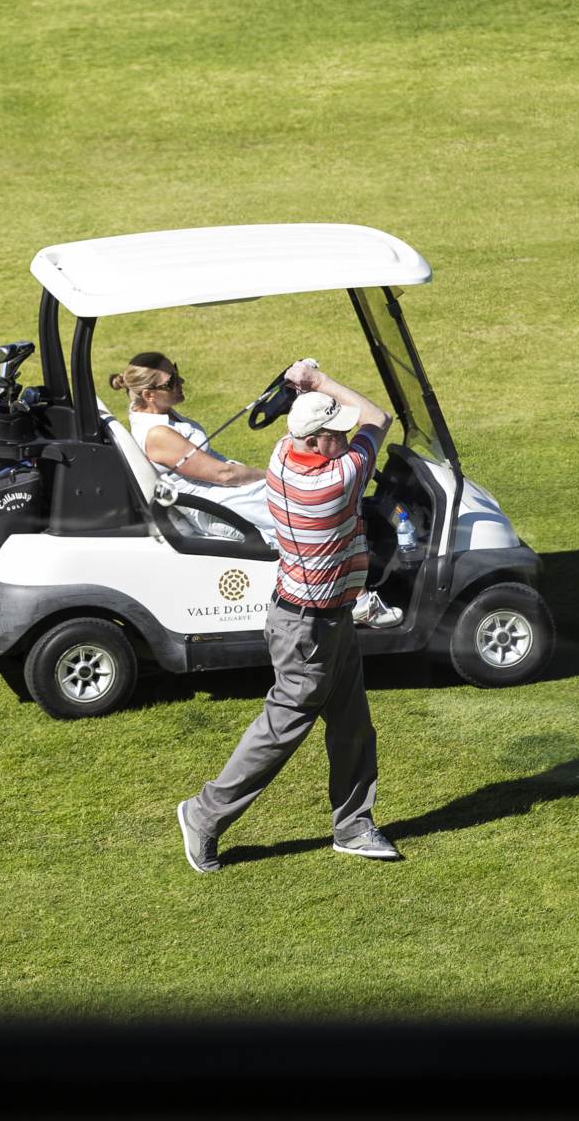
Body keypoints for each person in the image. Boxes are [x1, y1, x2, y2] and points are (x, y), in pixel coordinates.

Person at [175, 360, 404, 872]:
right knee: (282, 728)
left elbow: (348, 424)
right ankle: (204, 814)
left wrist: (307, 395)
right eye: (336, 435)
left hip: (324, 616)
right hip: (307, 629)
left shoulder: (283, 454)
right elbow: (379, 417)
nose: (345, 439)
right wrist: (318, 381)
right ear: (316, 441)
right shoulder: (337, 480)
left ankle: (353, 825)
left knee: (352, 722)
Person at [110, 352, 401, 627]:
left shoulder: (159, 414)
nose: (181, 382)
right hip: (216, 503)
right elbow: (223, 474)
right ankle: (359, 601)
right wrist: (276, 476)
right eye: (171, 381)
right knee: (318, 515)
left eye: (176, 372)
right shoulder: (157, 433)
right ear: (149, 395)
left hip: (224, 491)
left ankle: (357, 578)